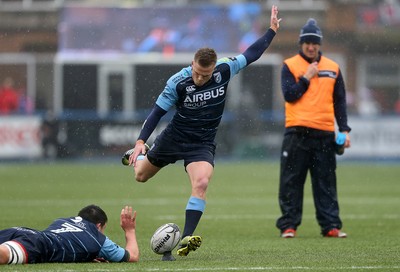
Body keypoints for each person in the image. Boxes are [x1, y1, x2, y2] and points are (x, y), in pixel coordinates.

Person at [124, 5, 281, 257]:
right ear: (192, 65)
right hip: (174, 138)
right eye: (197, 72)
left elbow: (252, 54)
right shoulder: (177, 82)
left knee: (202, 182)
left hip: (202, 142)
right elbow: (156, 113)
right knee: (140, 176)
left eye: (205, 74)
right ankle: (139, 155)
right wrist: (142, 140)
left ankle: (186, 237)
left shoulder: (224, 69)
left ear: (213, 68)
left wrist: (271, 31)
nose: (200, 78)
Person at [276, 18, 351, 239]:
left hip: (324, 135)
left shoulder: (333, 67)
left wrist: (344, 130)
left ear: (320, 44)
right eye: (307, 42)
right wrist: (307, 78)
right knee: (291, 183)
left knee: (325, 183)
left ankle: (330, 226)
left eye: (314, 42)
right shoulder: (290, 65)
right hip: (296, 133)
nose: (311, 46)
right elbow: (290, 95)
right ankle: (289, 226)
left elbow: (340, 102)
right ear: (301, 43)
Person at [0, 205, 139, 264]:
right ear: (98, 226)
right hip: (38, 245)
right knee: (3, 255)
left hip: (22, 231)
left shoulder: (62, 220)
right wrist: (130, 231)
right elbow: (132, 256)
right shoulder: (97, 238)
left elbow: (71, 241)